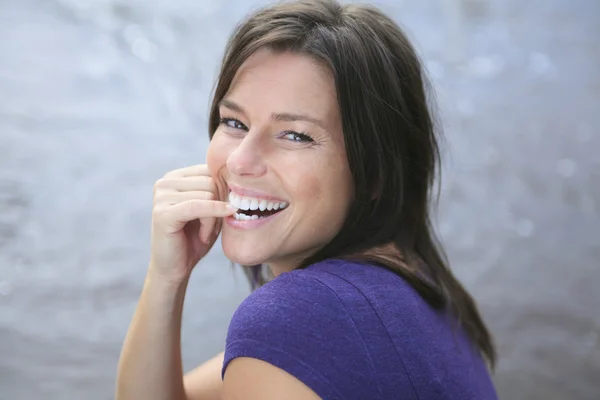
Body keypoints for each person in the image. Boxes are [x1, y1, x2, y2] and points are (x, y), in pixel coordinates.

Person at [115, 0, 499, 399]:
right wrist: (165, 277)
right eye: (234, 122)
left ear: (376, 172)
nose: (240, 160)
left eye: (295, 135)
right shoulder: (414, 280)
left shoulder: (298, 318)